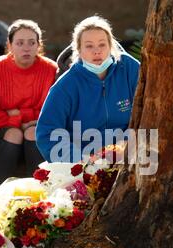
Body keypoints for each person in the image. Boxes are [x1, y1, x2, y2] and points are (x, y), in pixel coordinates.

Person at [36, 15, 140, 162]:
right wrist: (82, 162)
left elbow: (152, 110)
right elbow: (47, 133)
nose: (96, 51)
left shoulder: (129, 69)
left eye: (102, 44)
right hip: (84, 160)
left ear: (111, 46)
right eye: (89, 46)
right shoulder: (66, 85)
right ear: (78, 49)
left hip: (129, 156)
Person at [0, 19, 58, 196]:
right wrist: (23, 120)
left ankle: (42, 199)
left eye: (32, 43)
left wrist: (18, 115)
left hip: (36, 136)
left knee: (32, 132)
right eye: (20, 43)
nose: (26, 48)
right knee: (15, 133)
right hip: (3, 139)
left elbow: (50, 112)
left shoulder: (50, 69)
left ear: (39, 45)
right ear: (9, 45)